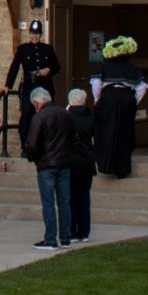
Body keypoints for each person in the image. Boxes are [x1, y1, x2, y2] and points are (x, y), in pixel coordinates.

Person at [88, 36, 148, 178]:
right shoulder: (132, 68)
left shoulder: (104, 67)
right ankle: (122, 168)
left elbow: (96, 82)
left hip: (108, 98)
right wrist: (134, 101)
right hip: (126, 98)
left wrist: (97, 99)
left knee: (106, 129)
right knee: (124, 132)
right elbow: (143, 86)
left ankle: (106, 164)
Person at [21, 86, 72, 252]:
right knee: (64, 201)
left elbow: (32, 143)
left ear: (37, 102)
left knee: (48, 202)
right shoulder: (65, 114)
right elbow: (74, 137)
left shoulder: (39, 117)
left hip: (46, 164)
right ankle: (65, 237)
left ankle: (50, 238)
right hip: (64, 162)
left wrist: (31, 156)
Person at [5, 20, 59, 152]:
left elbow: (57, 66)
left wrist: (49, 70)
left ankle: (47, 146)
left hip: (45, 85)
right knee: (26, 115)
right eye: (33, 33)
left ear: (41, 35)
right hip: (29, 85)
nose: (35, 36)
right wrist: (8, 85)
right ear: (29, 34)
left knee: (47, 115)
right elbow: (14, 67)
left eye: (37, 34)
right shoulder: (23, 49)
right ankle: (26, 147)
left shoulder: (48, 49)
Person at [64, 89, 98, 245]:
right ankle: (84, 232)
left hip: (71, 161)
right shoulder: (91, 117)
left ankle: (72, 231)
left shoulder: (67, 117)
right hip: (87, 161)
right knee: (84, 198)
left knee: (70, 197)